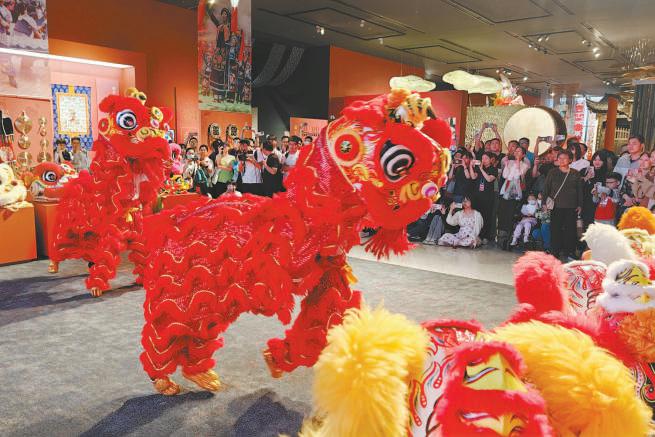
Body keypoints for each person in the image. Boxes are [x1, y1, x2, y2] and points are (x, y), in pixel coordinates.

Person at [543, 149, 582, 261]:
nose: (561, 160)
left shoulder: (575, 173)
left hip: (571, 206)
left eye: (564, 158)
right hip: (556, 206)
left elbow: (579, 190)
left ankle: (569, 251)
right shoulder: (552, 172)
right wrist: (544, 203)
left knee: (570, 230)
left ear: (570, 160)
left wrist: (580, 205)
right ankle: (554, 251)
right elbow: (546, 189)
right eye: (559, 158)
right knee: (555, 229)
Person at [470, 152, 497, 244]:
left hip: (487, 197)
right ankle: (476, 235)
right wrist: (470, 166)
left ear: (491, 160)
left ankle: (485, 236)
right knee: (477, 216)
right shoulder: (478, 168)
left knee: (486, 217)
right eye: (482, 158)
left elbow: (489, 179)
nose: (483, 160)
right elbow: (473, 177)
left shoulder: (493, 169)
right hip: (477, 196)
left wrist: (481, 170)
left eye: (486, 158)